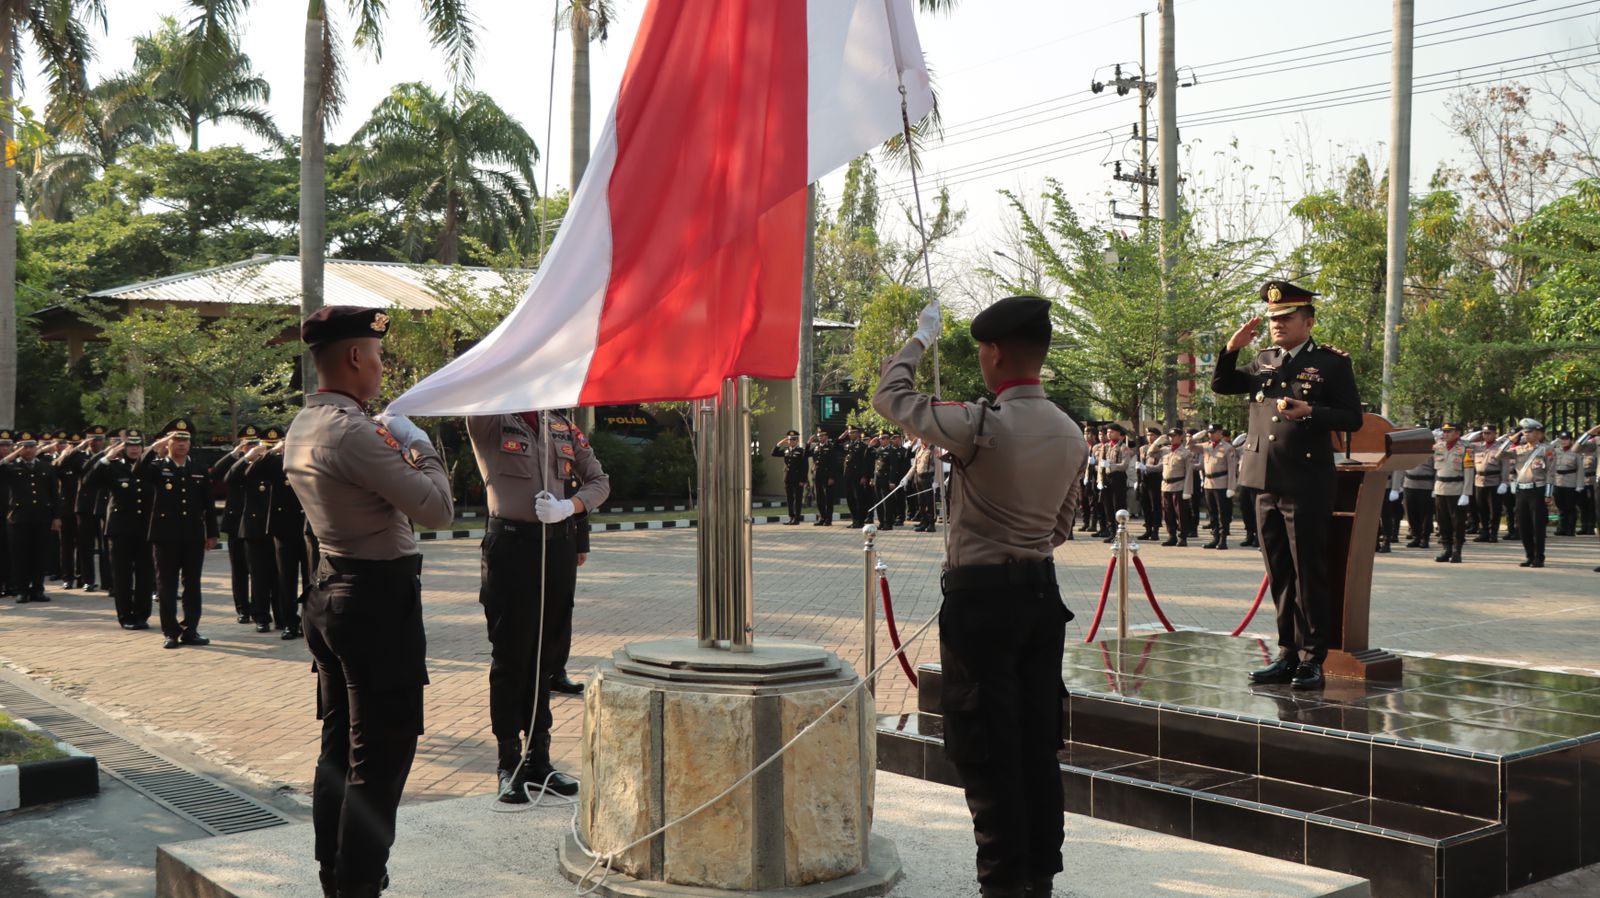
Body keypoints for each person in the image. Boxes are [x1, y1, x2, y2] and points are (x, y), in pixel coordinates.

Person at [874, 295, 1085, 898]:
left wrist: (920, 340)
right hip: (1041, 598)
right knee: (1038, 743)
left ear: (992, 353)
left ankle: (1002, 884)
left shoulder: (980, 424)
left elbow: (890, 396)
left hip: (982, 603)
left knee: (987, 747)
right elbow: (1061, 529)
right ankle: (1038, 877)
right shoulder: (1071, 432)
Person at [284, 306, 455, 898]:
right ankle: (358, 881)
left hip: (332, 593)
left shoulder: (307, 421)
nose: (381, 367)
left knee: (341, 746)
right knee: (381, 753)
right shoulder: (353, 431)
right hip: (376, 602)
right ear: (356, 356)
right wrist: (420, 445)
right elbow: (438, 510)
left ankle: (335, 872)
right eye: (378, 356)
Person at [1213, 280, 1362, 691]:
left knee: (1308, 572)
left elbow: (1352, 418)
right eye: (1273, 319)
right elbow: (1222, 385)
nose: (1276, 324)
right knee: (1279, 572)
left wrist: (1311, 410)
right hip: (1263, 480)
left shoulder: (1331, 363)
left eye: (1286, 318)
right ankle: (1286, 654)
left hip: (1306, 481)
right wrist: (1231, 348)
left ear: (1308, 322)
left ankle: (1313, 658)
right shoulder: (1264, 359)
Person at [467, 405, 610, 803]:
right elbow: (482, 390)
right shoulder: (492, 418)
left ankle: (539, 758)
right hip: (512, 548)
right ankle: (508, 761)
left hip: (557, 547)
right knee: (511, 656)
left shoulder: (560, 425)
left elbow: (599, 481)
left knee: (547, 658)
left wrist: (570, 507)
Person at [136, 419, 219, 649]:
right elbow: (138, 471)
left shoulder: (198, 469)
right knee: (166, 585)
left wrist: (212, 533)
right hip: (165, 536)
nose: (181, 444)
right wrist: (155, 447)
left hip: (193, 535)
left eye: (185, 440)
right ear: (168, 442)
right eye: (177, 439)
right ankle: (170, 632)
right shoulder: (157, 467)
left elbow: (208, 503)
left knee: (192, 584)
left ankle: (190, 629)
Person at [87, 431, 155, 629]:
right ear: (123, 448)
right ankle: (125, 616)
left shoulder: (151, 467)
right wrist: (106, 459)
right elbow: (89, 481)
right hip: (120, 529)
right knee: (122, 575)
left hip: (145, 528)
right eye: (130, 445)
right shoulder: (113, 467)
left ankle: (142, 614)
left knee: (144, 574)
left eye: (138, 445)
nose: (134, 449)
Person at [1, 432, 62, 603]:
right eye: (24, 447)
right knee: (20, 556)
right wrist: (12, 455)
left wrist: (56, 517)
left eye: (31, 446)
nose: (28, 450)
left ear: (36, 448)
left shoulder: (46, 467)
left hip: (42, 517)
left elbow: (54, 494)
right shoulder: (10, 467)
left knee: (40, 554)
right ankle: (22, 590)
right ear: (17, 448)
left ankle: (37, 589)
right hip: (19, 518)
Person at [212, 425, 261, 625]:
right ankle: (242, 609)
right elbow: (216, 473)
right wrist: (236, 454)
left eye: (254, 443)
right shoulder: (235, 462)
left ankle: (258, 609)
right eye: (247, 444)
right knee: (239, 570)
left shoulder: (263, 462)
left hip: (256, 523)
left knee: (257, 570)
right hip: (235, 522)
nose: (251, 447)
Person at [1505, 420, 1556, 568]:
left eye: (1530, 432)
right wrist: (1511, 439)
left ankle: (1539, 557)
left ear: (1539, 434)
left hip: (1537, 490)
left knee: (1538, 525)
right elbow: (1499, 455)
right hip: (1521, 490)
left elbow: (1551, 473)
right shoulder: (1518, 449)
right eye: (1525, 432)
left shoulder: (1546, 449)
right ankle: (1529, 555)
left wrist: (1548, 494)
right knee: (1523, 525)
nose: (1526, 435)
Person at [1431, 423, 1475, 564]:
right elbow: (1436, 470)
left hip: (1457, 489)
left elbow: (1469, 471)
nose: (1446, 434)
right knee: (1442, 521)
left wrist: (1466, 493)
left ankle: (1457, 551)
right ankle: (1446, 549)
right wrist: (1434, 488)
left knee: (1458, 523)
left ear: (1458, 433)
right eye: (1444, 431)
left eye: (1449, 431)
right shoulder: (1438, 447)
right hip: (1440, 488)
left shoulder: (1465, 448)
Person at [1199, 423, 1238, 550]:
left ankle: (1222, 539)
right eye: (1209, 432)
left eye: (1212, 432)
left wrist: (1231, 487)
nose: (1210, 434)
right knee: (1212, 513)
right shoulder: (1206, 446)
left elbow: (1232, 469)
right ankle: (1215, 538)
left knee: (1223, 513)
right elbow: (1190, 447)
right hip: (1208, 483)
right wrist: (1195, 437)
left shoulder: (1227, 448)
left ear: (1220, 433)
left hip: (1222, 484)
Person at [1156, 428, 1195, 547]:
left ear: (1181, 437)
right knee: (1167, 512)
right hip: (1166, 486)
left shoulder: (1186, 453)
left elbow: (1189, 473)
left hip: (1179, 485)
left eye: (1174, 436)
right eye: (1170, 436)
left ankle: (1182, 537)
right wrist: (1157, 441)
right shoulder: (1165, 450)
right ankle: (1171, 535)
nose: (1171, 438)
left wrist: (1187, 490)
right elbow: (1150, 453)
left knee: (1181, 513)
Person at [1470, 423, 1508, 543]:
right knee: (1481, 508)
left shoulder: (1501, 448)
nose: (1485, 435)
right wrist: (1476, 434)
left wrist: (1504, 482)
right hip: (1479, 481)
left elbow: (1505, 466)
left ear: (1495, 434)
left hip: (1494, 481)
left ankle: (1493, 533)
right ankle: (1484, 532)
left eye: (1488, 433)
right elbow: (1465, 441)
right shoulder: (1477, 447)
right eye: (1483, 433)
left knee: (1494, 510)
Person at [1097, 424, 1135, 542]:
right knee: (1108, 506)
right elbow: (1100, 465)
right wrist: (1100, 480)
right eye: (1108, 432)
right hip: (1107, 478)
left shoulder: (1123, 448)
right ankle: (1112, 532)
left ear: (1119, 433)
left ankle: (1121, 533)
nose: (1109, 434)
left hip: (1118, 478)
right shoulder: (1105, 447)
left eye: (1112, 432)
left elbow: (1124, 465)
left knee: (1118, 505)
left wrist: (1111, 465)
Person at [1401, 426, 1436, 549]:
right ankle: (1416, 536)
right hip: (1409, 483)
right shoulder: (1408, 449)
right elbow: (1401, 467)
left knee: (1425, 514)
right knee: (1411, 512)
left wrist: (1435, 487)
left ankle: (1425, 538)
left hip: (1425, 485)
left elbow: (1437, 470)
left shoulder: (1433, 449)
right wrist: (1398, 486)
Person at [772, 429, 808, 525]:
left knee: (798, 498)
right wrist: (780, 443)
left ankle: (797, 519)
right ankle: (791, 517)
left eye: (793, 439)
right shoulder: (786, 450)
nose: (791, 441)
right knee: (789, 499)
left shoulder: (801, 451)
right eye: (789, 439)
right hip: (788, 478)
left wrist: (803, 480)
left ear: (797, 440)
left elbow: (805, 467)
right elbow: (773, 453)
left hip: (798, 478)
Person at [873, 429, 905, 530]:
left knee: (887, 502)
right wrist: (873, 478)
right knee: (879, 501)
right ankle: (881, 521)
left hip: (886, 479)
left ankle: (888, 522)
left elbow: (893, 468)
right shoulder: (878, 450)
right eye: (880, 438)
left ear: (888, 439)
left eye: (883, 438)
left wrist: (892, 481)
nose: (881, 440)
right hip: (878, 478)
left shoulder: (892, 451)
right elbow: (875, 465)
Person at [807, 427, 839, 526]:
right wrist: (808, 444)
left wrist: (832, 477)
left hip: (827, 475)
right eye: (819, 436)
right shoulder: (816, 447)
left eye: (822, 435)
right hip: (817, 475)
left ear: (826, 436)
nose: (820, 437)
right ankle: (822, 517)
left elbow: (834, 463)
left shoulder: (831, 447)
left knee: (828, 498)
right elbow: (806, 454)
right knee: (819, 497)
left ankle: (828, 519)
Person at [1136, 426, 1163, 540]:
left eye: (1152, 435)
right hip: (1144, 479)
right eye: (1148, 435)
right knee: (1145, 505)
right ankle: (1148, 529)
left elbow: (1161, 466)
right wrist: (1138, 479)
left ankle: (1155, 530)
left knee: (1155, 505)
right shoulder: (1143, 448)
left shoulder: (1162, 449)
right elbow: (1140, 463)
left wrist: (1146, 467)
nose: (1149, 437)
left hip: (1155, 478)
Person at [1552, 431, 1581, 537]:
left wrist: (1580, 484)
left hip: (1571, 482)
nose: (1564, 441)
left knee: (1570, 507)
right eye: (1562, 439)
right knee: (1560, 506)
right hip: (1558, 481)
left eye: (1566, 439)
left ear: (1571, 440)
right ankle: (1562, 528)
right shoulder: (1555, 451)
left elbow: (1580, 469)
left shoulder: (1575, 452)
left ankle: (1570, 529)